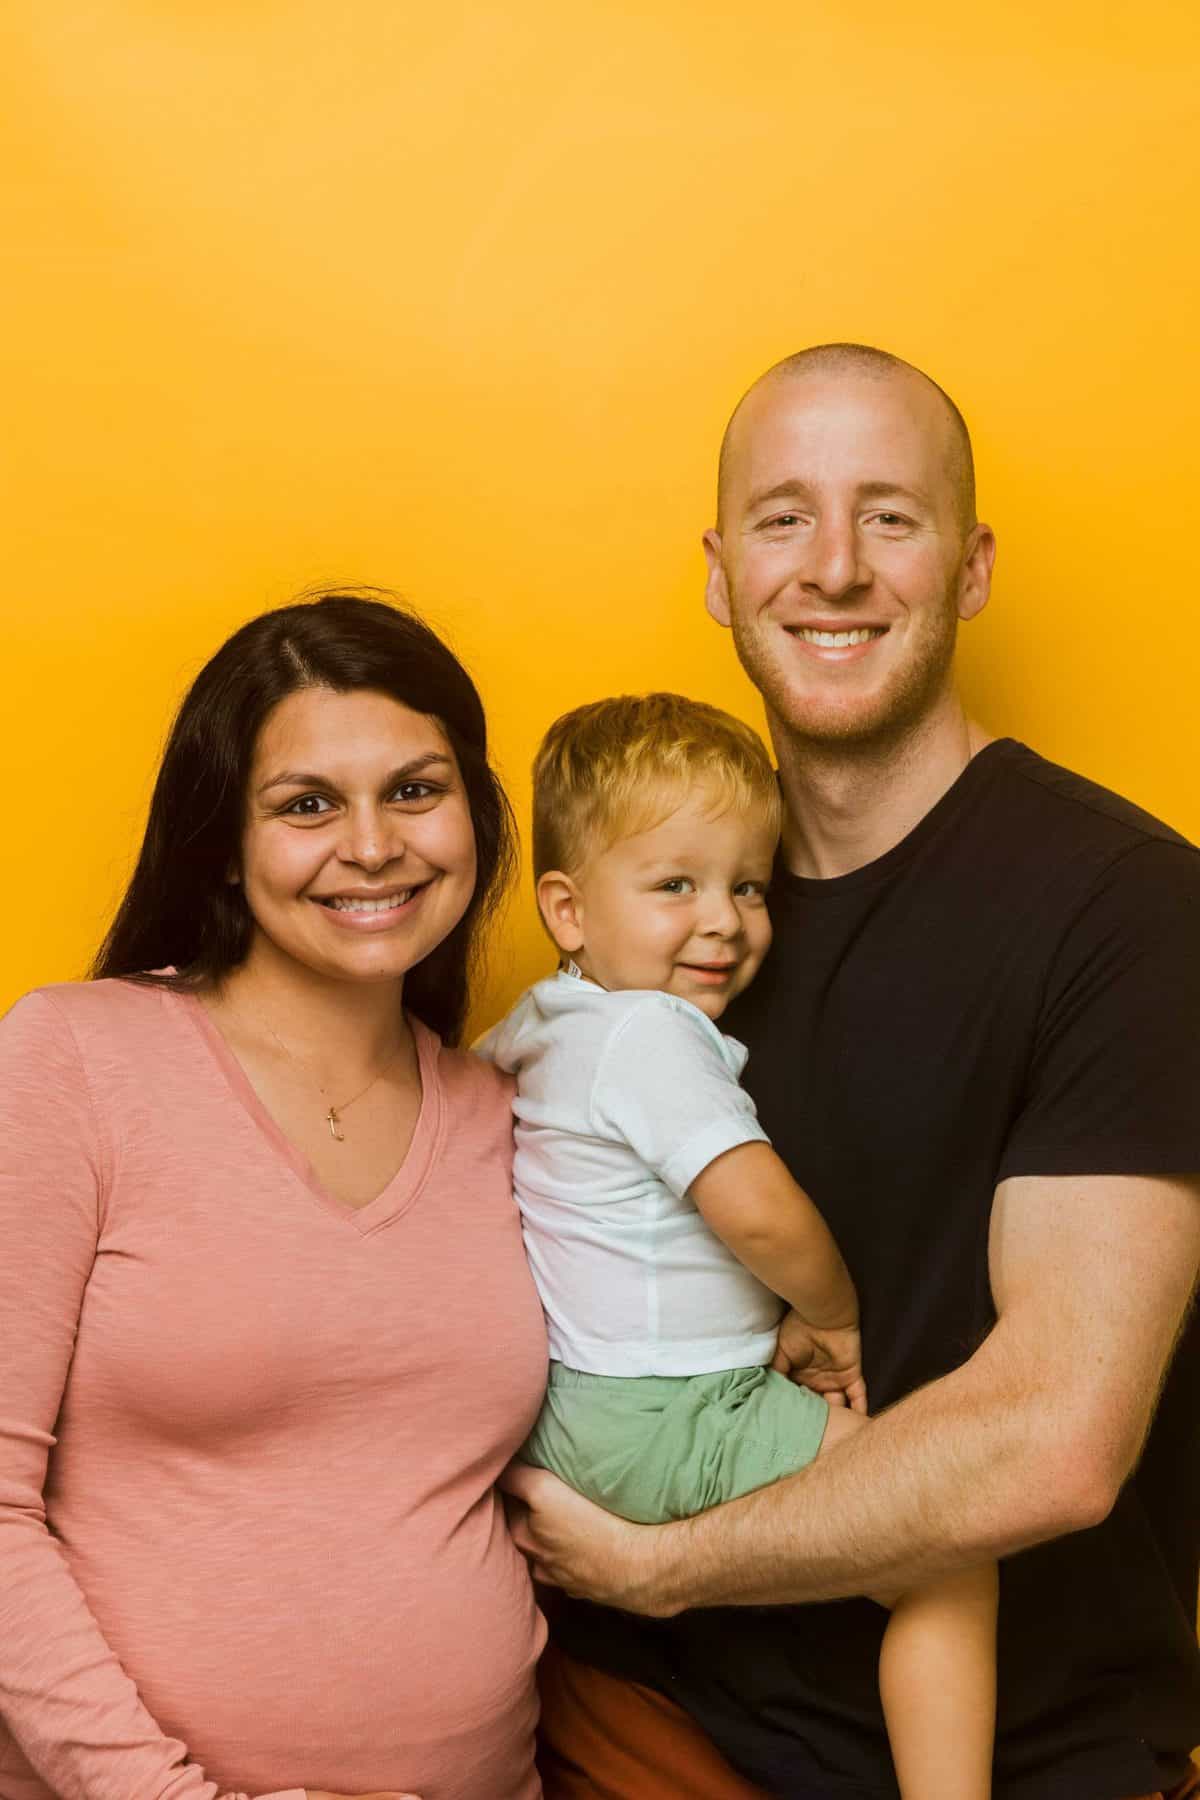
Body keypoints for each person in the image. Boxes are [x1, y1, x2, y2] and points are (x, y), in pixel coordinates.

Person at [501, 345, 1200, 1800]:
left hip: (1025, 1761)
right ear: (717, 570)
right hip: (640, 1731)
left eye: (889, 517)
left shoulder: (1125, 909)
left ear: (971, 567)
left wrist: (663, 1568)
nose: (833, 568)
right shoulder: (659, 920)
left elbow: (1058, 1442)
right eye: (782, 519)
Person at [0, 592, 548, 1800]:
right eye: (307, 805)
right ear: (226, 844)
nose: (373, 845)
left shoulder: (508, 1114)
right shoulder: (76, 1058)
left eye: (416, 789)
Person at [479, 691, 998, 1798]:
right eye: (677, 885)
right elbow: (757, 1210)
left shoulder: (538, 1027)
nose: (724, 920)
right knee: (949, 1534)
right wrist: (832, 1314)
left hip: (573, 1412)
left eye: (748, 886)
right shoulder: (653, 1036)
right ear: (567, 907)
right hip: (672, 1409)